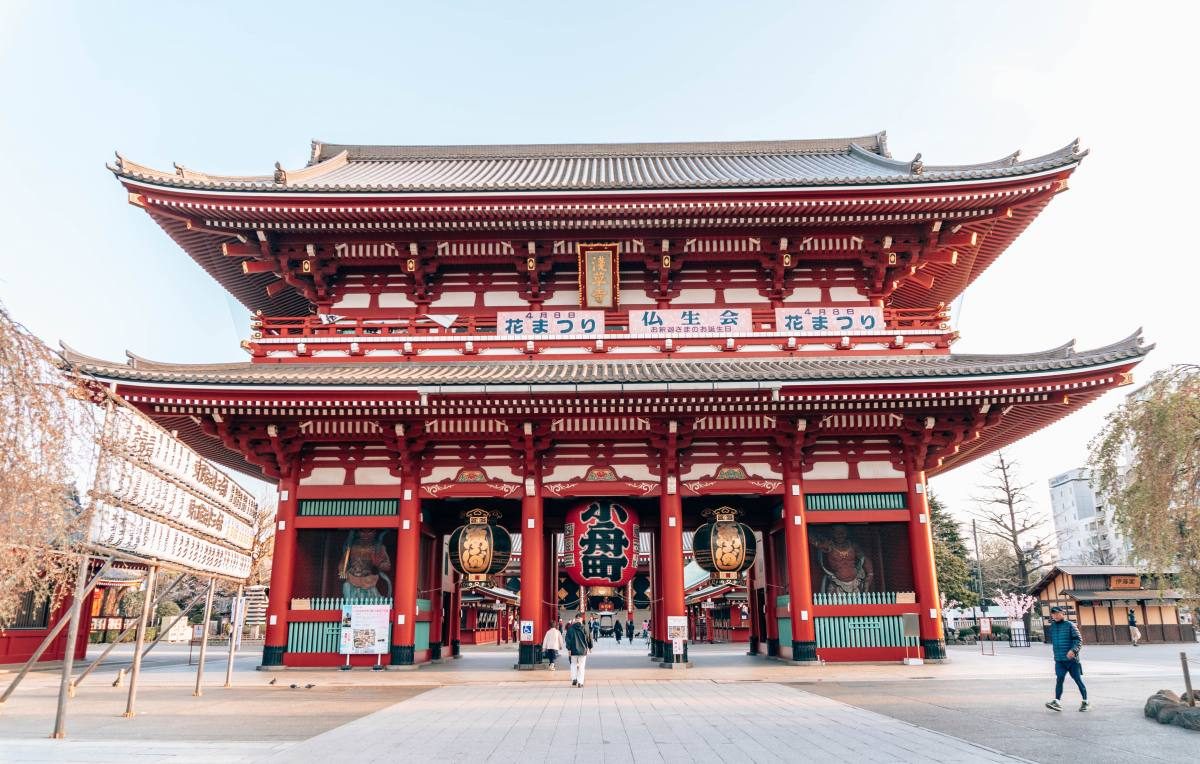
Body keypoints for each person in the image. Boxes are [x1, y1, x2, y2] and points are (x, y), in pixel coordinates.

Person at [1045, 607, 1089, 712]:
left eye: (1057, 613)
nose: (1055, 616)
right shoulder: (1053, 626)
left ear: (1062, 614)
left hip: (1072, 661)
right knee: (1059, 679)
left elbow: (1078, 640)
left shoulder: (1070, 625)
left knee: (1078, 680)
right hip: (1059, 660)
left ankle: (1085, 702)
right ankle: (1057, 701)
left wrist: (1073, 651)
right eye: (1053, 614)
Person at [565, 612, 593, 688]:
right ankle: (580, 682)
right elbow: (589, 638)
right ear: (581, 619)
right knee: (581, 666)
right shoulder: (585, 628)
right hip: (583, 650)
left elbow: (567, 639)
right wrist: (590, 647)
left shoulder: (570, 628)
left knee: (573, 664)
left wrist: (569, 649)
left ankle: (574, 679)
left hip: (573, 650)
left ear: (575, 619)